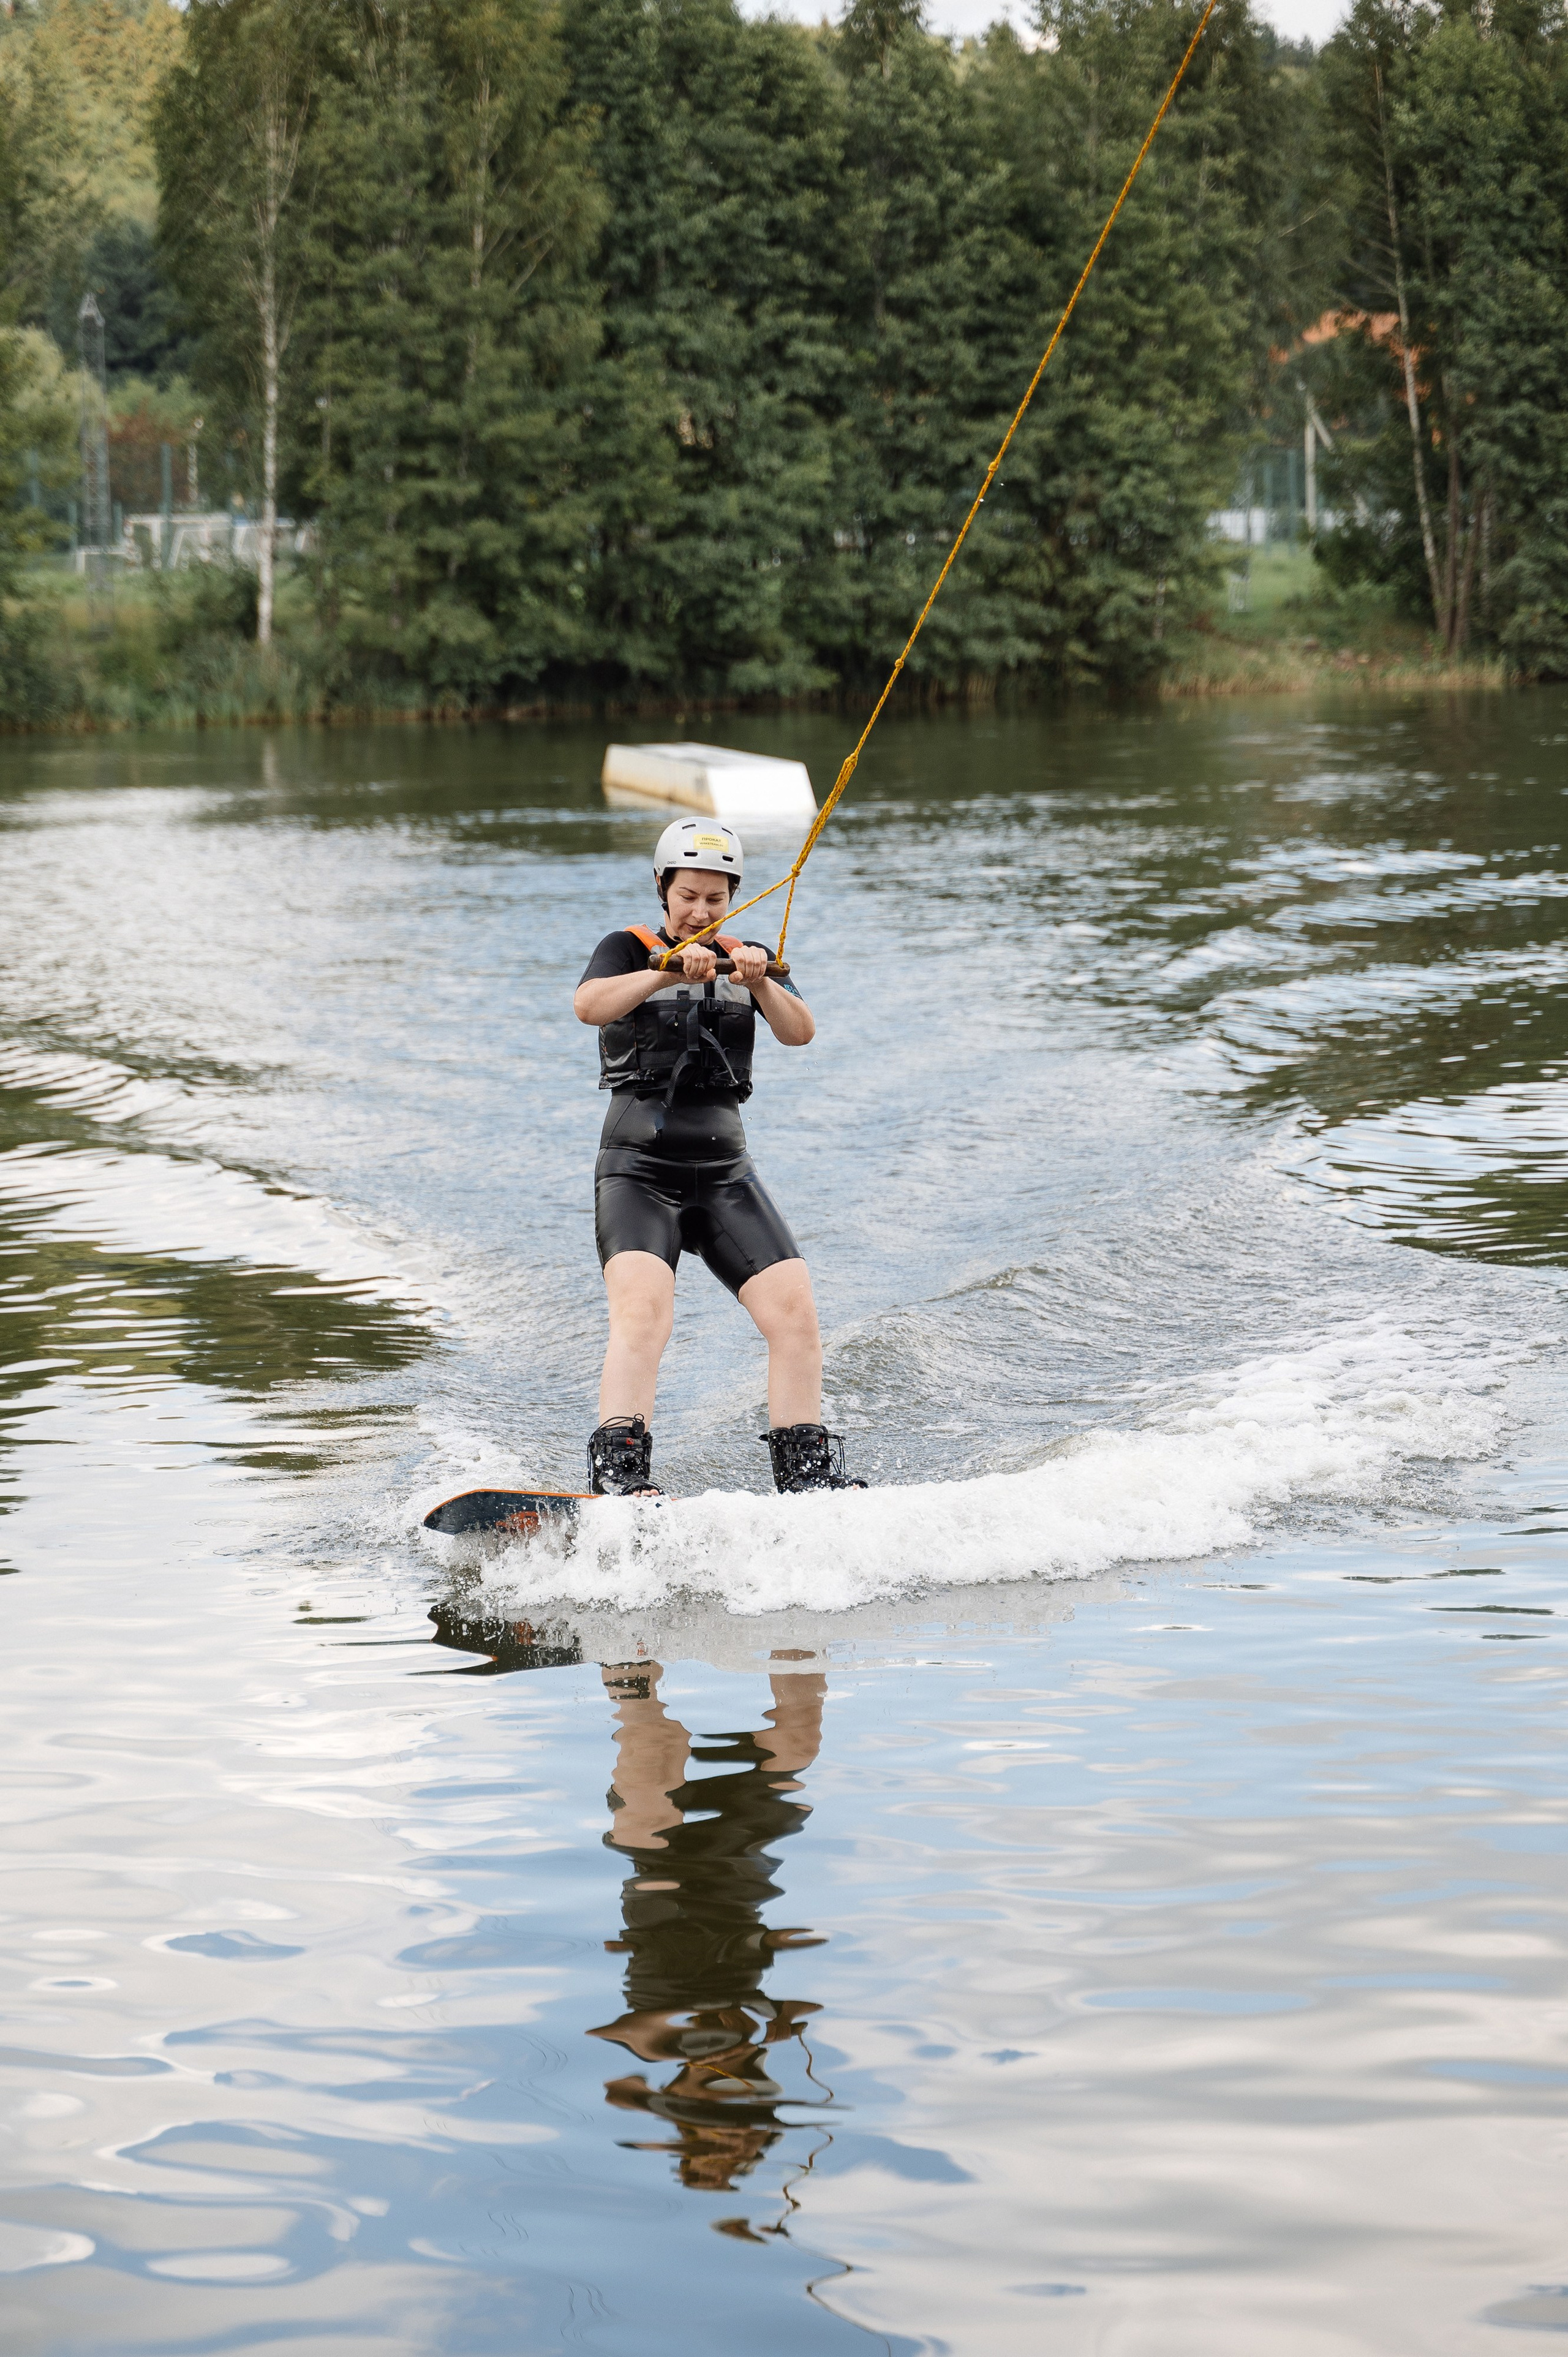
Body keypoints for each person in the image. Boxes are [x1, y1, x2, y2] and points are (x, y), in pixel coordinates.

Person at [573, 816, 862, 1496]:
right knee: (644, 1314)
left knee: (794, 1315)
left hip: (726, 1175)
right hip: (638, 1173)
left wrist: (760, 981)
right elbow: (588, 1005)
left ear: (731, 895)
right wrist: (661, 969)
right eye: (688, 896)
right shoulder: (626, 948)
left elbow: (800, 1032)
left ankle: (805, 1483)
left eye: (715, 897)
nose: (701, 910)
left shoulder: (745, 954)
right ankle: (622, 1480)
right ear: (662, 888)